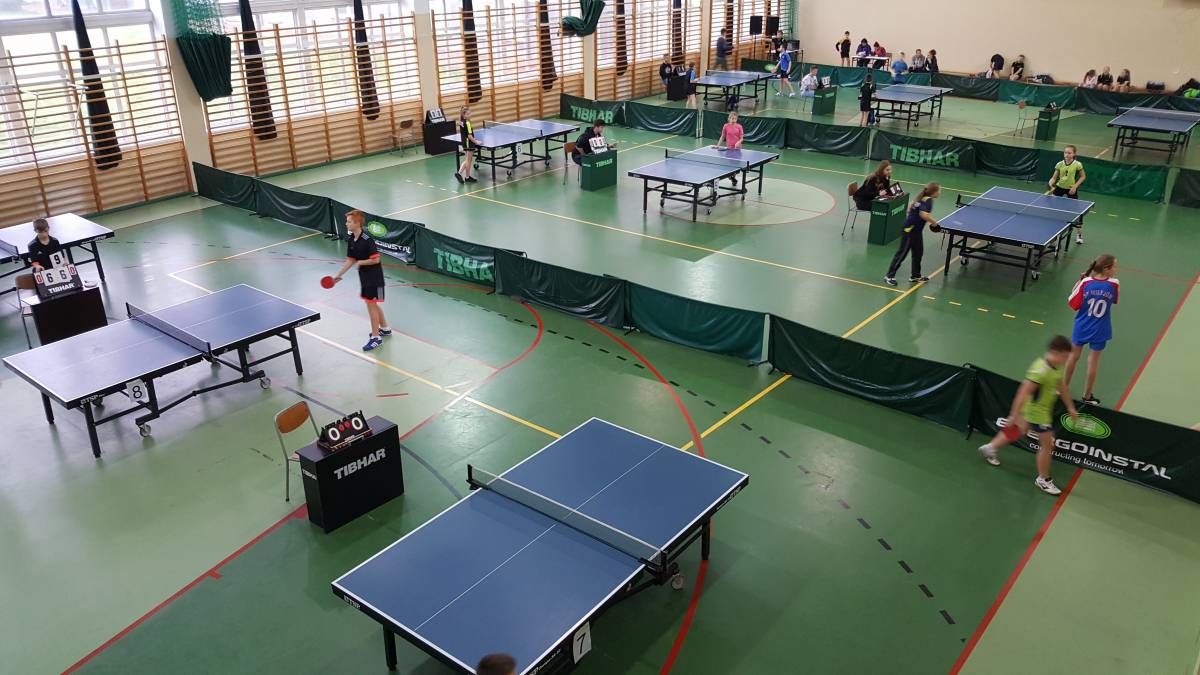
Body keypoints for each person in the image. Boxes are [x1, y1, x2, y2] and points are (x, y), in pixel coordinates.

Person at [977, 335, 1081, 496]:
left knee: (1019, 430)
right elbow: (1023, 392)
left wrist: (1070, 407)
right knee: (1048, 445)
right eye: (1064, 357)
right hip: (1037, 413)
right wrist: (1013, 415)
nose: (1066, 360)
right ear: (1055, 353)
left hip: (1039, 409)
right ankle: (1043, 479)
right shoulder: (1040, 371)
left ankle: (991, 448)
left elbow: (1062, 387)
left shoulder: (1057, 367)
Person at [329, 210, 392, 351]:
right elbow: (350, 259)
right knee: (372, 303)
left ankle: (376, 338)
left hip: (374, 277)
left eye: (349, 222)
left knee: (371, 305)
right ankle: (385, 328)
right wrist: (338, 275)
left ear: (357, 223)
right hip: (364, 277)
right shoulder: (352, 239)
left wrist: (361, 262)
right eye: (347, 221)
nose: (346, 224)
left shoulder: (367, 240)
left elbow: (376, 259)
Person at [1065, 254, 1119, 406]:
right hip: (1100, 329)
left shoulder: (1086, 282)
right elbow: (1114, 300)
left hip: (1082, 326)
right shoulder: (1114, 284)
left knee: (1073, 357)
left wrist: (1080, 281)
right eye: (1115, 266)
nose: (1116, 269)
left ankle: (1062, 388)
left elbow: (1072, 301)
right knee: (1093, 362)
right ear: (1106, 269)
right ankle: (1087, 396)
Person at [884, 182, 941, 286]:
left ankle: (915, 275)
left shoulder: (922, 197)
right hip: (910, 230)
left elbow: (910, 206)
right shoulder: (928, 200)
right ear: (934, 192)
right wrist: (934, 223)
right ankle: (889, 276)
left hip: (916, 230)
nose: (940, 192)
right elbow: (923, 214)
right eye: (939, 190)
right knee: (902, 253)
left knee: (918, 252)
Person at [1047, 145, 1087, 244]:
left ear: (1074, 154)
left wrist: (1075, 187)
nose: (1067, 155)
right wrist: (1050, 183)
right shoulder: (1059, 164)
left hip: (1071, 189)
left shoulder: (1077, 164)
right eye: (1065, 152)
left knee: (1075, 213)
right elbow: (1054, 177)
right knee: (1053, 210)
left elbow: (1083, 177)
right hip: (1059, 188)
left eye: (1069, 153)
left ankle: (1079, 235)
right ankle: (1052, 233)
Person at [715, 111, 744, 186]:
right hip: (729, 148)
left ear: (737, 119)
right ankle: (731, 177)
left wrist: (738, 142)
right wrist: (718, 145)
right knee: (729, 164)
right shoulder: (726, 126)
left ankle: (733, 177)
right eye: (732, 118)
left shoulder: (739, 127)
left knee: (736, 165)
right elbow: (722, 136)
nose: (733, 120)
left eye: (735, 119)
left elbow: (741, 138)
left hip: (737, 149)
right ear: (729, 119)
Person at [454, 106, 477, 184]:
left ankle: (466, 176)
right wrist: (476, 142)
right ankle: (461, 174)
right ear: (464, 116)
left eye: (470, 113)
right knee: (468, 160)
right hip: (469, 143)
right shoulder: (467, 123)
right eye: (468, 114)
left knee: (468, 160)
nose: (470, 115)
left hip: (464, 142)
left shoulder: (461, 122)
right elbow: (470, 136)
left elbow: (459, 121)